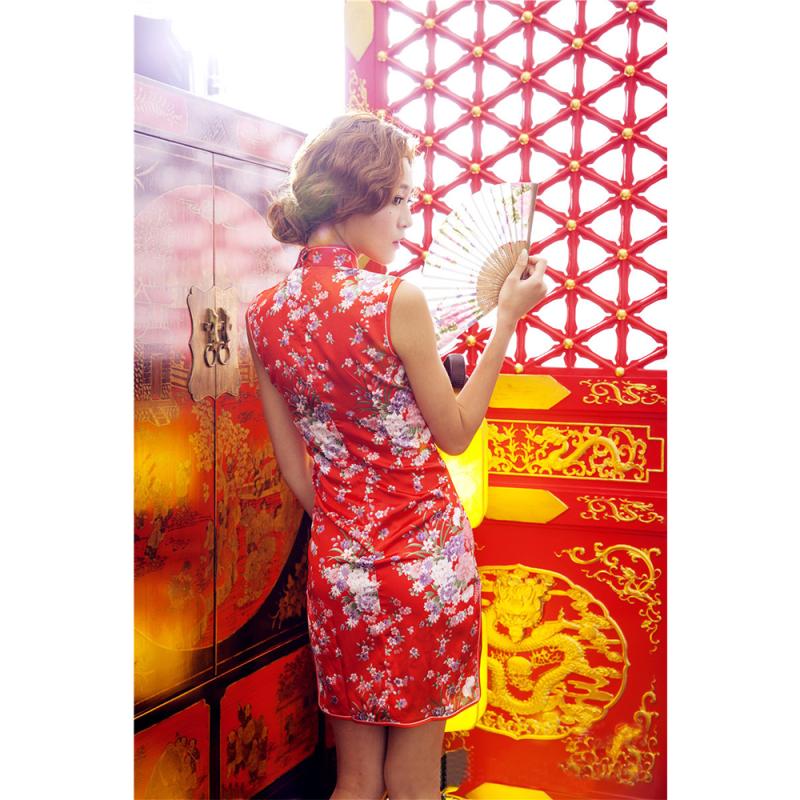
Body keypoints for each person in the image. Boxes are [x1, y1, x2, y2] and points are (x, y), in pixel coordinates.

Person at [245, 111, 548, 800]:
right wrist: (506, 317)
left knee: (354, 780)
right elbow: (456, 432)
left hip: (339, 569)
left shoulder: (263, 314)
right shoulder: (395, 301)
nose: (409, 220)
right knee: (412, 783)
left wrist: (354, 529)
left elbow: (294, 468)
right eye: (401, 198)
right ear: (356, 196)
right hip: (424, 566)